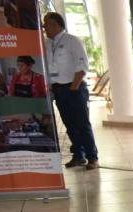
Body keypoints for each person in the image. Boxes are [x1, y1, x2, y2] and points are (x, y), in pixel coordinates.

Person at [42, 12, 99, 170]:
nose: (44, 27)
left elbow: (82, 67)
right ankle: (78, 156)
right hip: (59, 90)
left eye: (46, 24)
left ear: (56, 24)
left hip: (74, 88)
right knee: (69, 125)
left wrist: (74, 87)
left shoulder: (72, 41)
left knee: (82, 124)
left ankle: (92, 157)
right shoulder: (47, 44)